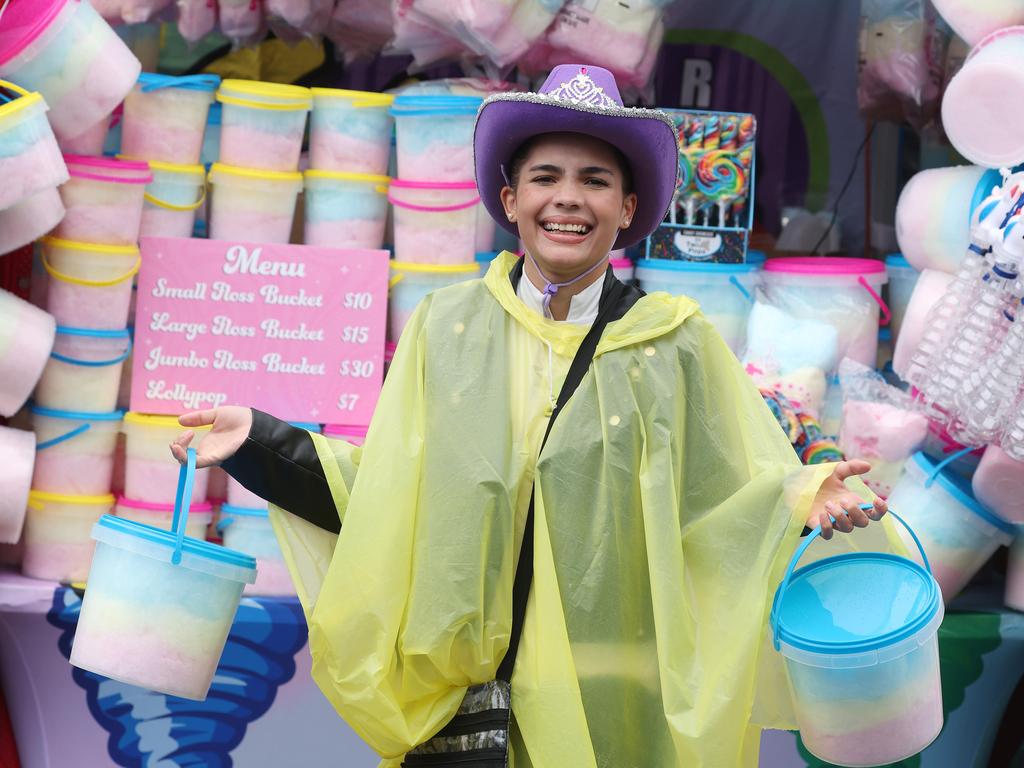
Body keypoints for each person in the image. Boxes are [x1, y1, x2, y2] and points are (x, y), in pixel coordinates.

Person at [171, 65, 899, 767]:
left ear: (630, 209)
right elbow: (392, 494)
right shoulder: (445, 328)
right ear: (510, 198)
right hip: (474, 705)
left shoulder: (676, 344)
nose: (569, 199)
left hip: (615, 695)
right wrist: (260, 443)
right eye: (546, 178)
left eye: (596, 181)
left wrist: (799, 497)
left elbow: (725, 498)